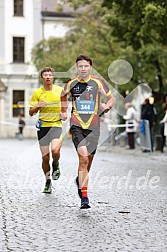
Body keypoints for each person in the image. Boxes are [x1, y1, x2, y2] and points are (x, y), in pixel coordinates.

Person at [60, 54, 115, 209]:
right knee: (83, 158)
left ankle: (80, 180)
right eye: (80, 66)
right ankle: (84, 197)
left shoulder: (98, 83)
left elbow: (112, 99)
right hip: (77, 125)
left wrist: (107, 106)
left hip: (94, 126)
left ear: (90, 67)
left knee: (88, 162)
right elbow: (62, 96)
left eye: (86, 66)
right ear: (76, 68)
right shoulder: (71, 83)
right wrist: (64, 111)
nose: (83, 69)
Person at [29, 67, 63, 193]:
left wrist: (64, 114)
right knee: (45, 158)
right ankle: (48, 181)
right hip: (43, 127)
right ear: (42, 78)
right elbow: (31, 113)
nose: (48, 77)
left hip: (56, 125)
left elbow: (65, 105)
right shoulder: (38, 93)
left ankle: (56, 164)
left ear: (53, 77)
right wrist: (38, 106)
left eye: (50, 75)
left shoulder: (60, 91)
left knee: (55, 151)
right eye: (45, 75)